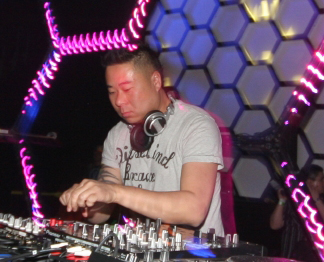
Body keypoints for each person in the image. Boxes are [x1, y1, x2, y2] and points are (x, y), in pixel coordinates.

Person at [59, 48, 230, 236]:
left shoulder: (196, 125)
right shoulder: (117, 135)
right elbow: (101, 215)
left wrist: (114, 192)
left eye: (127, 89)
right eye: (112, 92)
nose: (119, 101)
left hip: (194, 252)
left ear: (156, 81)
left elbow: (193, 211)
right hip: (142, 250)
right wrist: (86, 199)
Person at [270, 164, 324, 262]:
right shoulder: (292, 200)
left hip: (314, 261)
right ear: (310, 182)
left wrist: (316, 199)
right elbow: (275, 225)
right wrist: (281, 200)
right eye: (321, 179)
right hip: (290, 258)